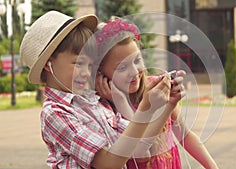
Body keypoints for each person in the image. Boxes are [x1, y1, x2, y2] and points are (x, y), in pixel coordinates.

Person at [20, 11, 182, 169]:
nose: (86, 72)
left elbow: (141, 147)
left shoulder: (95, 102)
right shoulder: (55, 113)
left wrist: (167, 105)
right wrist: (145, 108)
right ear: (49, 64)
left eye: (89, 65)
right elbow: (108, 163)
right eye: (78, 63)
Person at [94, 17, 219, 169]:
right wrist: (121, 103)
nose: (134, 72)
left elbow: (185, 135)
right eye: (122, 67)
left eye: (137, 60)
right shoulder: (104, 110)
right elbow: (142, 146)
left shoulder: (157, 89)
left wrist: (212, 166)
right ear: (100, 74)